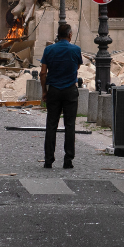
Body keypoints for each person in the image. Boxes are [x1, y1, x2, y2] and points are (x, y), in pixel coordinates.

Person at [40, 23, 82, 169]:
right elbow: (76, 67)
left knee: (51, 125)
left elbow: (43, 73)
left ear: (58, 35)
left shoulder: (49, 49)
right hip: (70, 90)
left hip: (54, 90)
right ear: (70, 35)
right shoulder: (76, 49)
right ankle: (68, 159)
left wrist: (44, 91)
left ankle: (48, 160)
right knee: (70, 125)